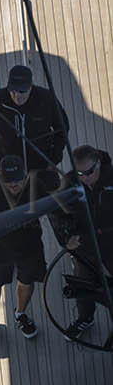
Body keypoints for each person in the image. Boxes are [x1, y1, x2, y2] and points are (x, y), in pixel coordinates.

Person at [0, 156, 60, 347]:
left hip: (30, 247)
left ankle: (20, 313)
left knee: (26, 282)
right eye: (8, 180)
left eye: (17, 179)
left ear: (26, 175)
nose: (13, 184)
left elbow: (54, 207)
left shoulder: (38, 187)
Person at [52, 144, 113, 342]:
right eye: (80, 173)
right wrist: (65, 240)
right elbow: (56, 213)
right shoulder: (69, 183)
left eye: (88, 172)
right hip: (84, 245)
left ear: (99, 164)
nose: (84, 178)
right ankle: (85, 318)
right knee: (84, 285)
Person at [0, 63, 69, 176]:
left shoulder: (46, 99)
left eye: (22, 91)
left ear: (31, 87)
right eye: (13, 90)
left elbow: (62, 127)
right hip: (8, 173)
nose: (17, 95)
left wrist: (53, 160)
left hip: (42, 169)